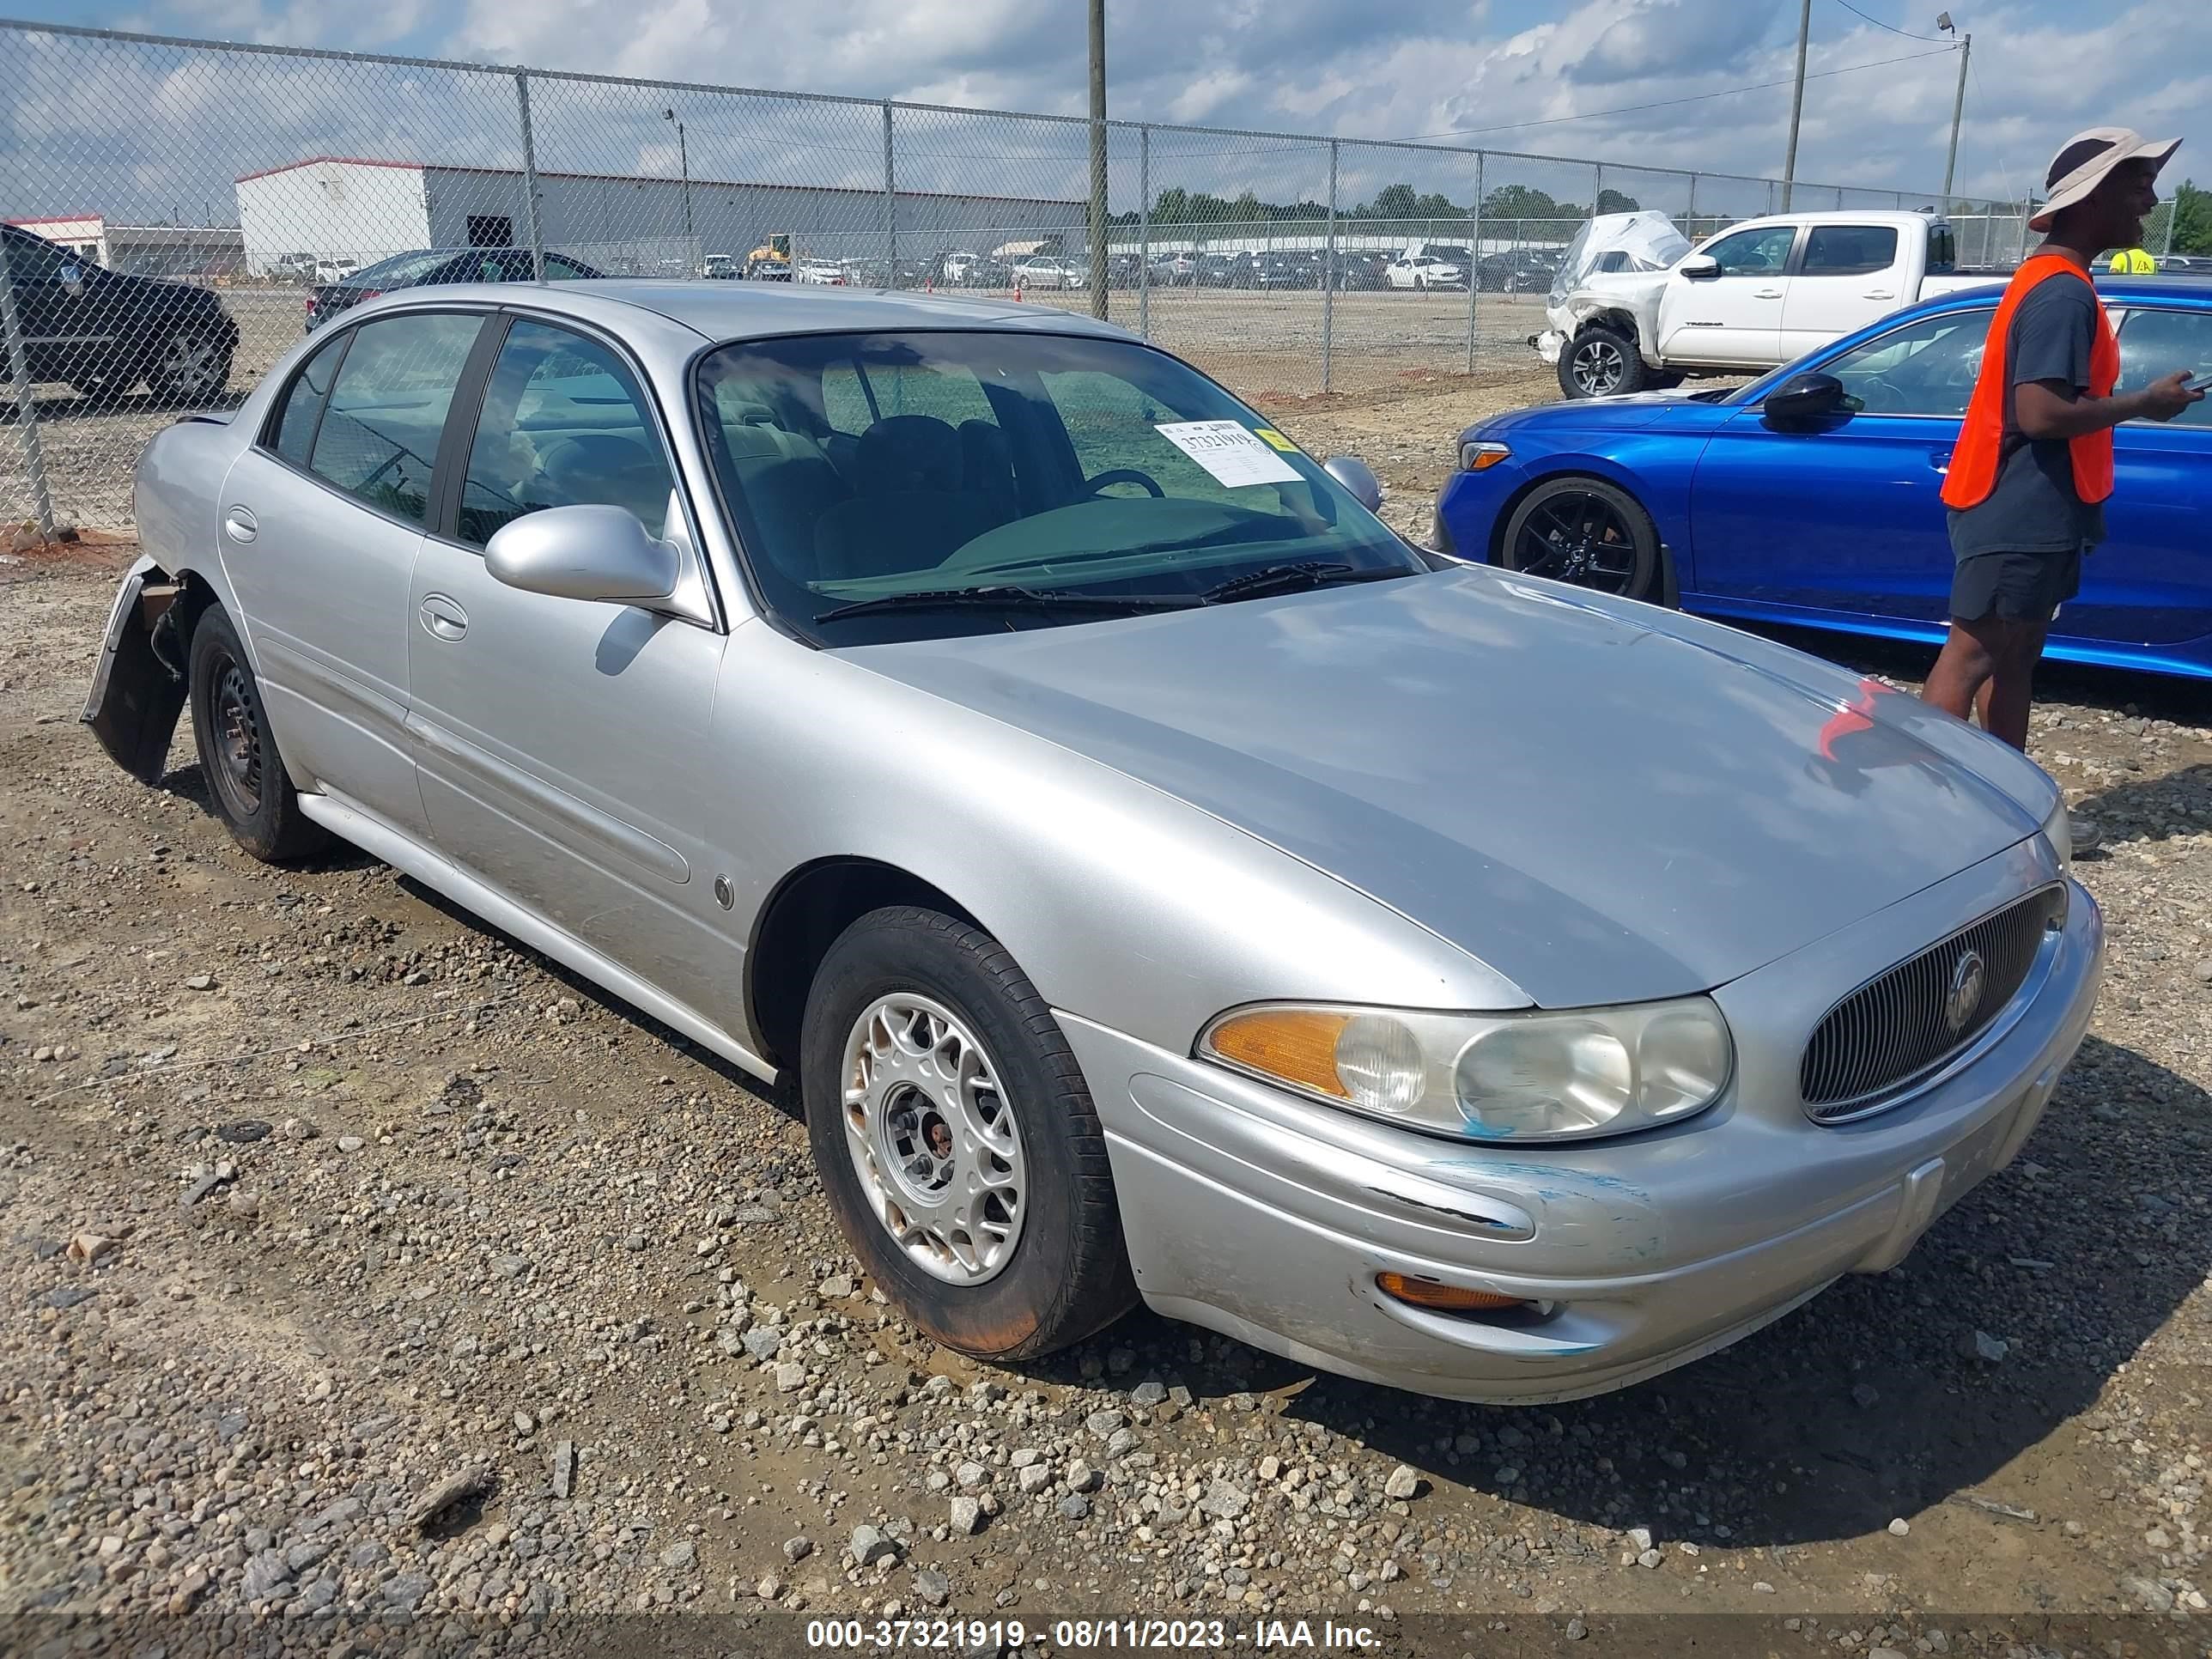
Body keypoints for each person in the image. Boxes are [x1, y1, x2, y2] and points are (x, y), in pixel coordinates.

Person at [1925, 127, 2203, 750]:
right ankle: (1920, 812)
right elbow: (2042, 412)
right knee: (1975, 654)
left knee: (2016, 653)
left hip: (2035, 504)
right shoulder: (2061, 293)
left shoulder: (2054, 280)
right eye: (2139, 186)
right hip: (2018, 505)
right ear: (2092, 199)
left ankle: (2004, 793)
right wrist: (2146, 403)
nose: (2151, 204)